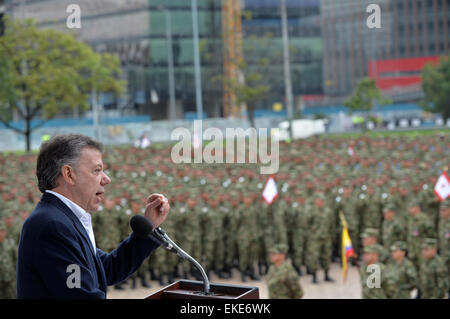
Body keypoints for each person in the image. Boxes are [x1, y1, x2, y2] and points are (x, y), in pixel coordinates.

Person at [17, 134, 170, 298]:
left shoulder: (63, 219)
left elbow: (108, 269)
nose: (106, 179)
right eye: (97, 170)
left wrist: (149, 227)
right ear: (69, 174)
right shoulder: (52, 225)